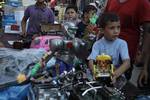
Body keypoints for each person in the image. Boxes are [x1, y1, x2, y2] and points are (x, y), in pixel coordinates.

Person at [104, 0, 150, 80]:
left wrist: (143, 56)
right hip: (105, 50)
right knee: (101, 80)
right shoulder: (111, 1)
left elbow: (148, 32)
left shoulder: (142, 2)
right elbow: (104, 22)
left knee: (117, 86)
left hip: (125, 54)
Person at [88, 12, 130, 84]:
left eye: (118, 27)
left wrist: (114, 75)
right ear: (102, 30)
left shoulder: (122, 44)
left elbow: (127, 63)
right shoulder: (97, 44)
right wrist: (94, 71)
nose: (116, 31)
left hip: (117, 76)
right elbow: (91, 60)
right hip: (101, 74)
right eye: (112, 28)